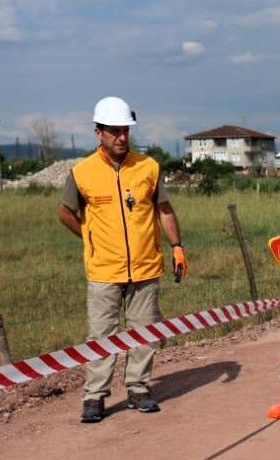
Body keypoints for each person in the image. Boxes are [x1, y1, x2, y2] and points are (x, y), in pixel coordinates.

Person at [58, 96, 189, 423]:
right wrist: (89, 236)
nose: (121, 137)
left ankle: (139, 387)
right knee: (102, 335)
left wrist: (177, 246)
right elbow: (65, 212)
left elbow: (164, 210)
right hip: (103, 270)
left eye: (125, 131)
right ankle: (95, 396)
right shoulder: (81, 172)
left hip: (145, 266)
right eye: (114, 131)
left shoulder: (148, 167)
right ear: (98, 133)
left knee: (144, 331)